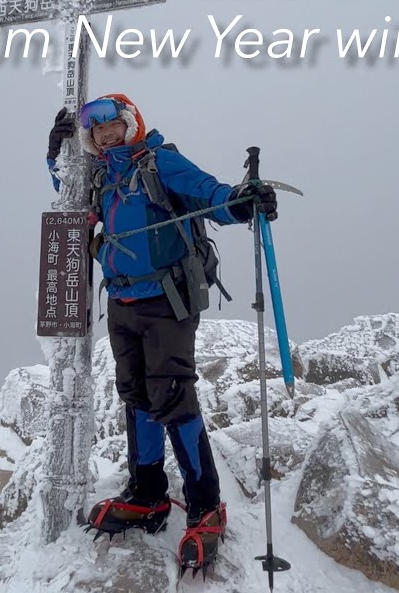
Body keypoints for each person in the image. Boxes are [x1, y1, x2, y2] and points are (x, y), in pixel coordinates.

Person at [45, 94, 277, 574]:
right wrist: (56, 157)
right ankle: (147, 493)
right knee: (136, 395)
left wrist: (241, 201)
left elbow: (208, 195)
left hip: (167, 301)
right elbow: (68, 193)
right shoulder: (101, 177)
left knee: (171, 395)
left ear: (132, 124)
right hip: (123, 301)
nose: (107, 133)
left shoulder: (159, 161)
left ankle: (205, 505)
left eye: (115, 124)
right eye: (98, 130)